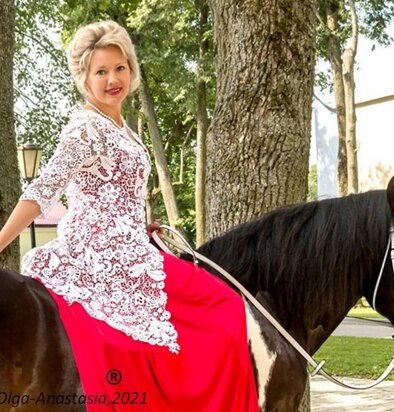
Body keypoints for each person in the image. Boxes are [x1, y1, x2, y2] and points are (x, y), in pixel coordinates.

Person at [0, 20, 259, 411]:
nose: (112, 79)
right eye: (100, 71)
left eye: (119, 68)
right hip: (98, 258)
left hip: (136, 249)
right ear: (84, 79)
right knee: (218, 312)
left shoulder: (122, 127)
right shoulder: (85, 130)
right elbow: (42, 190)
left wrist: (139, 226)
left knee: (223, 306)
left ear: (131, 70)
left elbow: (116, 194)